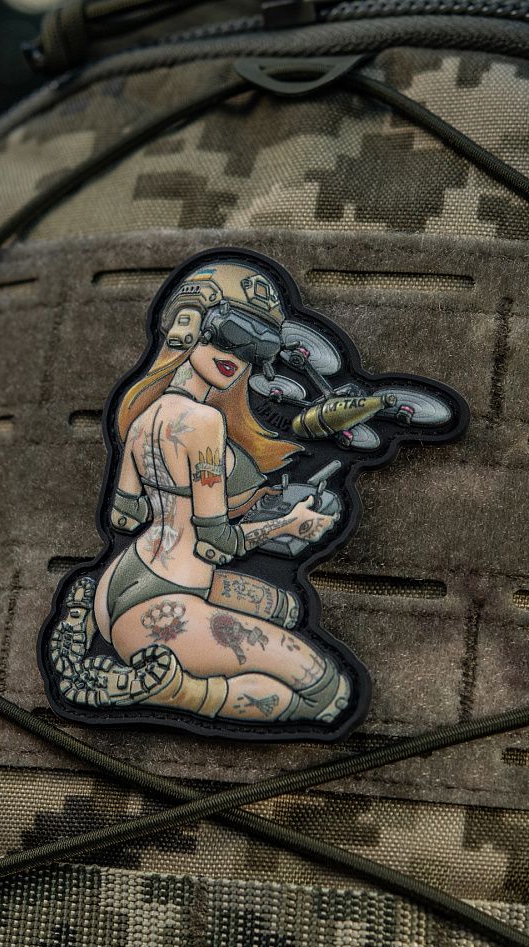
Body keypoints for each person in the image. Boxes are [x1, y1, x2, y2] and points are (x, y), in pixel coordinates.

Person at [48, 258, 352, 725]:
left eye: (257, 346)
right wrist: (289, 523)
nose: (239, 355)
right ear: (189, 327)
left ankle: (88, 625)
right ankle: (172, 689)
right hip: (163, 610)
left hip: (118, 583)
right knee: (328, 691)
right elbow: (217, 543)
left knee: (288, 610)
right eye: (229, 333)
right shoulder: (206, 422)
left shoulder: (143, 417)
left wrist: (202, 501)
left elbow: (125, 517)